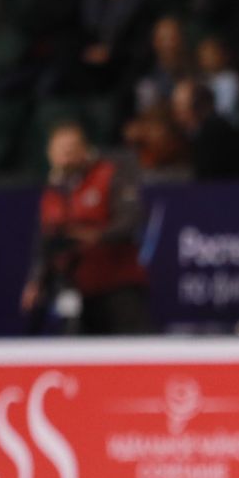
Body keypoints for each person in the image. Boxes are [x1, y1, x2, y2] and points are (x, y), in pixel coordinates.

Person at [22, 123, 153, 335]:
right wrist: (36, 280)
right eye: (61, 149)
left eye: (72, 147)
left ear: (84, 149)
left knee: (130, 352)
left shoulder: (108, 175)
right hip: (76, 288)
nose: (67, 154)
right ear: (50, 154)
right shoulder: (52, 193)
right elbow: (45, 240)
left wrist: (92, 236)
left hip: (118, 286)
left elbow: (130, 221)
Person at [171, 78, 239, 180]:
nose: (177, 113)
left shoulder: (215, 133)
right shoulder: (192, 134)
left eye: (181, 106)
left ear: (201, 105)